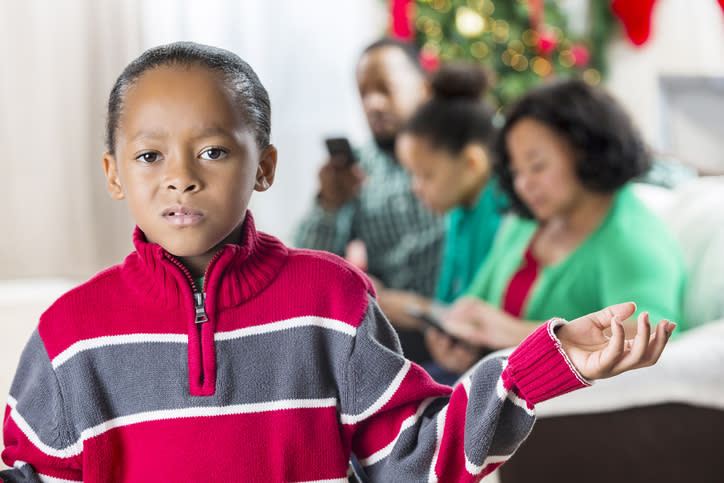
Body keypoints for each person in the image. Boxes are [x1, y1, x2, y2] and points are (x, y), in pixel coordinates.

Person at [1, 42, 675, 483]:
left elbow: (412, 455)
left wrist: (539, 366)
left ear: (263, 165)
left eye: (212, 150)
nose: (180, 177)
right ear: (114, 173)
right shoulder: (70, 334)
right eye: (150, 156)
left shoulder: (330, 297)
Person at [430, 79, 688, 376]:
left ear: (586, 151)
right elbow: (477, 301)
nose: (523, 184)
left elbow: (652, 334)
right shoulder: (528, 223)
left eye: (537, 166)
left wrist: (516, 333)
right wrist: (460, 340)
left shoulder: (632, 238)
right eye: (516, 171)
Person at [293, 38, 443, 364]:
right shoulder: (357, 171)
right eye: (363, 93)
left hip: (459, 321)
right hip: (391, 335)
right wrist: (330, 204)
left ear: (425, 89)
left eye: (385, 88)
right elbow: (304, 267)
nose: (373, 103)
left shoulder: (455, 159)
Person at [387, 62, 506, 384]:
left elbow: (492, 312)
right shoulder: (458, 211)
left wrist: (421, 308)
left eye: (426, 174)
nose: (415, 186)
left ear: (472, 162)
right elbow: (453, 304)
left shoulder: (505, 213)